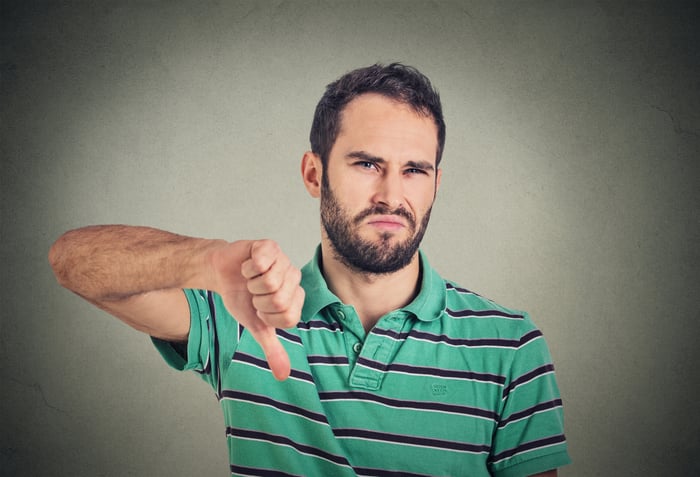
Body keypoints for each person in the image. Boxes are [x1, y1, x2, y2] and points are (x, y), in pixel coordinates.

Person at [49, 63, 571, 477]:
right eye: (367, 164)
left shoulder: (510, 345)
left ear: (436, 183)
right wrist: (206, 259)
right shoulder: (243, 310)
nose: (392, 195)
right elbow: (72, 261)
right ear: (314, 173)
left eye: (414, 170)